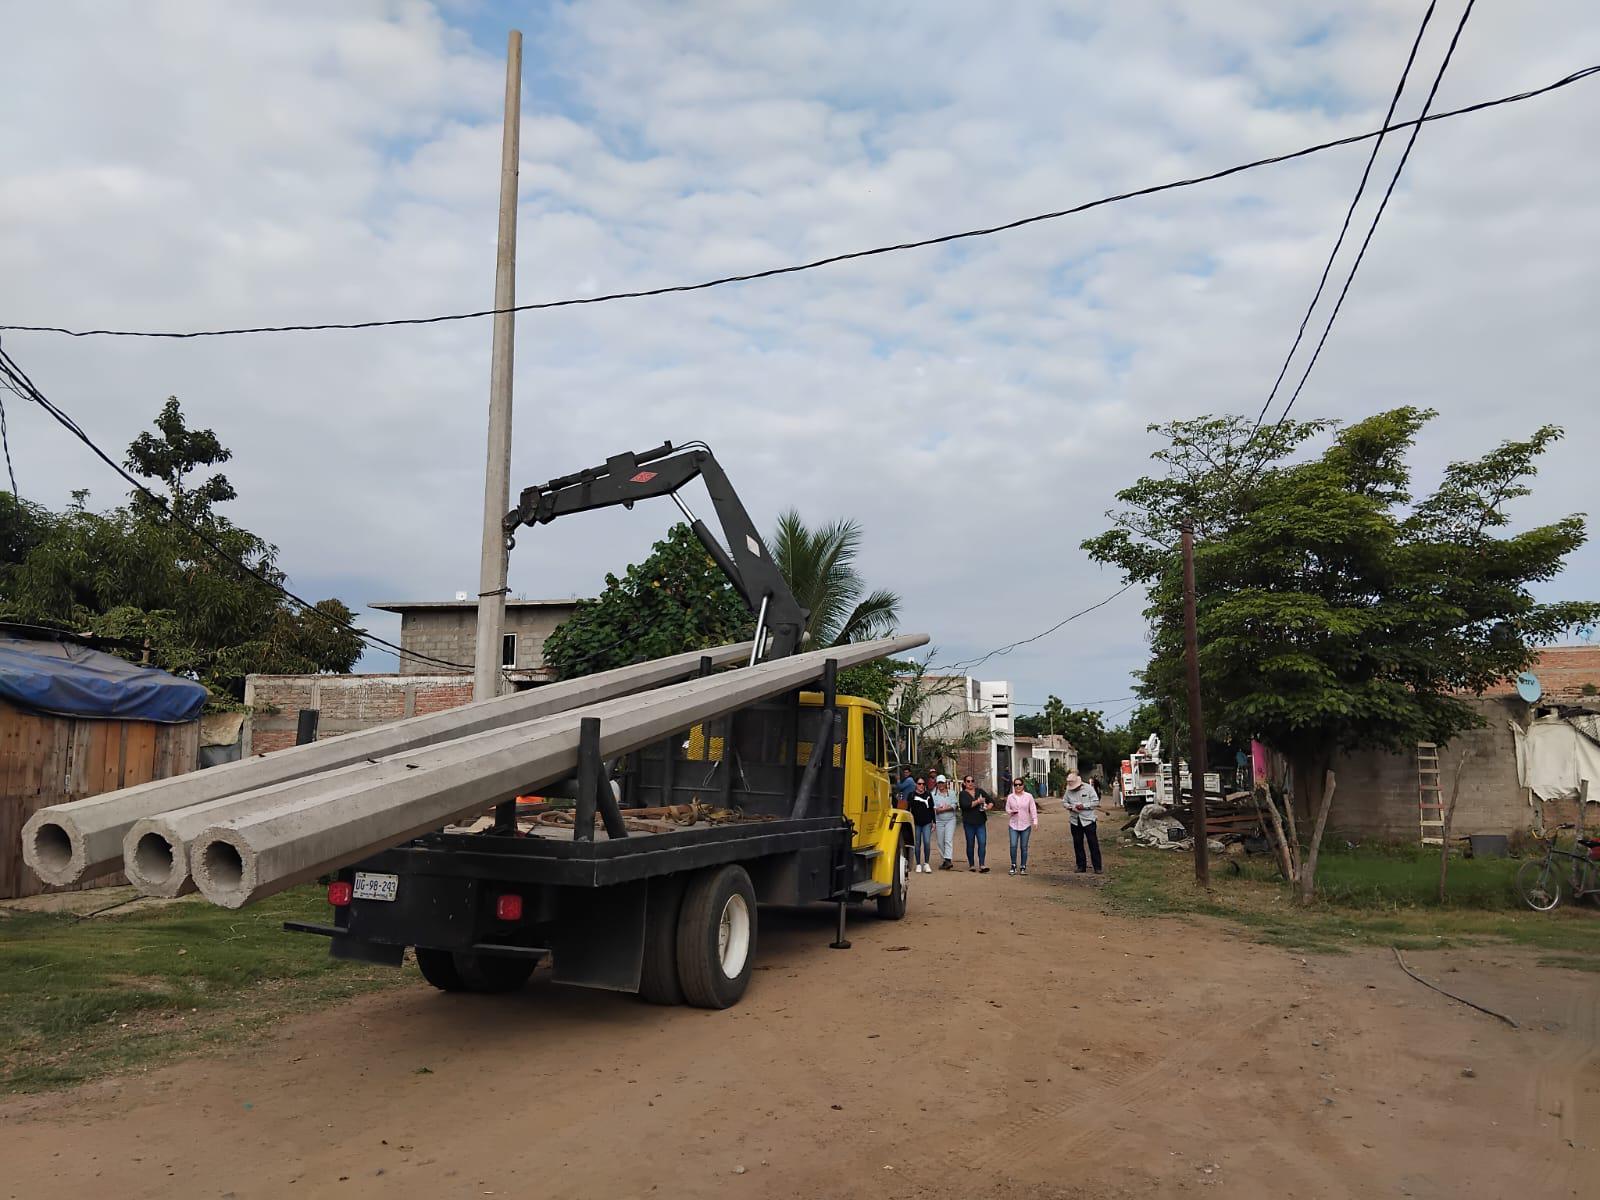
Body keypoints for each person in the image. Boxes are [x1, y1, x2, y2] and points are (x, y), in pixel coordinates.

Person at [1061, 769, 1103, 873]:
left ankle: (1097, 867)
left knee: (1093, 843)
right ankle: (1081, 866)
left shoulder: (1088, 789)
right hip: (1075, 821)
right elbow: (1064, 802)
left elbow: (1095, 802)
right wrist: (1070, 807)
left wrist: (1084, 806)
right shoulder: (1068, 791)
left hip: (1088, 820)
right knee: (1077, 843)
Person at [958, 774, 992, 872]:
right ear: (964, 783)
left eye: (972, 781)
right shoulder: (963, 794)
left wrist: (988, 806)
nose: (970, 783)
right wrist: (978, 801)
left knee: (982, 843)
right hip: (969, 822)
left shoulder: (979, 791)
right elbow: (965, 806)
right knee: (970, 843)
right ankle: (971, 865)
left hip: (980, 821)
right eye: (968, 781)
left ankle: (982, 864)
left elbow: (990, 800)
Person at [1005, 776, 1039, 875]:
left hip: (1025, 825)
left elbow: (1033, 809)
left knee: (1024, 847)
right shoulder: (1010, 797)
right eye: (1016, 785)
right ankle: (1013, 865)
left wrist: (1035, 821)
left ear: (1023, 785)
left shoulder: (1028, 796)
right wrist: (1011, 812)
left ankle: (1023, 866)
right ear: (1013, 786)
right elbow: (1007, 808)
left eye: (1020, 784)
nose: (1018, 786)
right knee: (1013, 845)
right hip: (1013, 824)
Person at [931, 774, 960, 869]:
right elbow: (933, 807)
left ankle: (948, 860)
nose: (941, 785)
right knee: (940, 842)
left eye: (942, 783)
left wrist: (946, 808)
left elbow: (954, 805)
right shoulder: (933, 794)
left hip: (950, 820)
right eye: (939, 783)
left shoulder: (951, 793)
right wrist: (938, 809)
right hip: (939, 820)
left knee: (948, 840)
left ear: (945, 783)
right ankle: (944, 859)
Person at [907, 779, 935, 872]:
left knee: (927, 842)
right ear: (916, 784)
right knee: (917, 843)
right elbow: (908, 809)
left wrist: (934, 822)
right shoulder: (911, 795)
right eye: (919, 783)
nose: (921, 785)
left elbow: (931, 808)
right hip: (916, 823)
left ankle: (926, 863)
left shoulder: (928, 794)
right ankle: (918, 864)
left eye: (923, 783)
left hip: (927, 822)